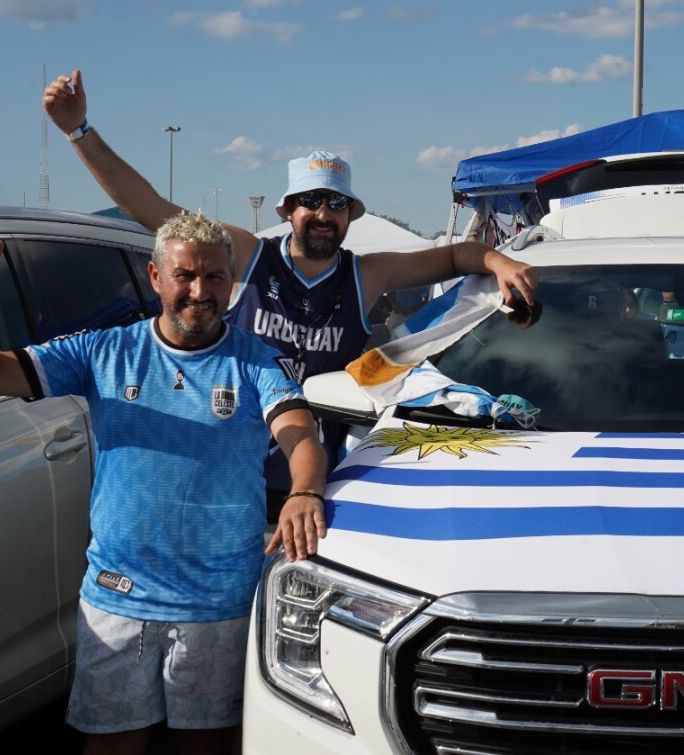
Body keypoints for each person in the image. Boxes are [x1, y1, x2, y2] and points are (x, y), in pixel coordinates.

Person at [43, 69, 538, 514]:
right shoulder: (247, 254)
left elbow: (454, 257)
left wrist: (497, 259)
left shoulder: (367, 274)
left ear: (350, 214)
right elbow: (148, 208)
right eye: (310, 201)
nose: (323, 213)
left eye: (336, 203)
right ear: (287, 211)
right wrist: (79, 132)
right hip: (228, 468)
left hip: (314, 479)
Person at [0, 212, 328, 755]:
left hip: (219, 600)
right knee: (113, 745)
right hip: (119, 596)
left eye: (215, 277)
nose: (200, 291)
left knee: (209, 744)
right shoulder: (102, 351)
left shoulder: (257, 360)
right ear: (155, 276)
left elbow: (299, 435)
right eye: (185, 276)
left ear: (231, 281)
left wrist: (304, 491)